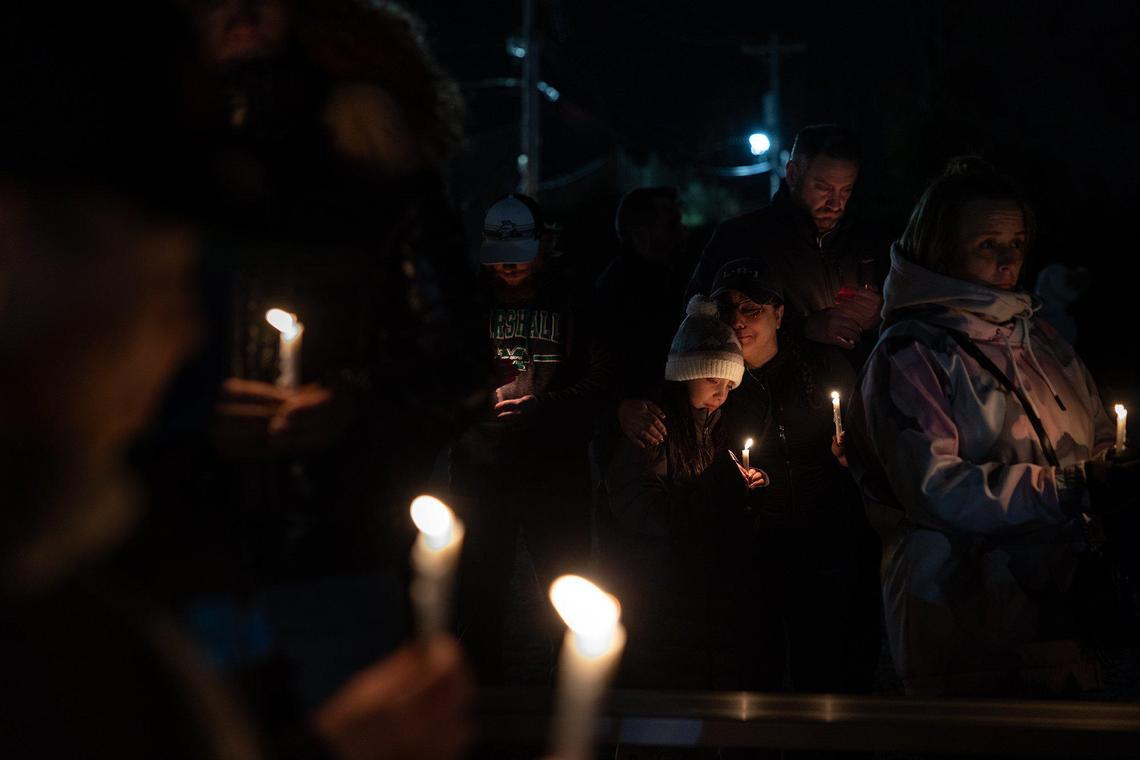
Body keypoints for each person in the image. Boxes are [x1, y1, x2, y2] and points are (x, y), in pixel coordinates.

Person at [0, 4, 474, 759]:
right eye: (153, 285)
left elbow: (449, 358)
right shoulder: (58, 603)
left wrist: (352, 403)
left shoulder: (359, 146)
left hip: (315, 552)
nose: (183, 332)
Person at [845, 157, 1138, 697]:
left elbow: (1096, 426)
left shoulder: (1038, 336)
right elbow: (935, 489)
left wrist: (1109, 468)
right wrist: (1072, 487)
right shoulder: (913, 352)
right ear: (942, 246)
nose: (1008, 258)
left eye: (1018, 242)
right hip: (966, 627)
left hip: (1060, 621)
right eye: (987, 243)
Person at [450, 194, 610, 684]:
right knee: (478, 591)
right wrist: (473, 409)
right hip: (481, 470)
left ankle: (569, 696)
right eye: (500, 258)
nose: (509, 268)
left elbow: (602, 381)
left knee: (568, 583)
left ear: (543, 248)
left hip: (554, 471)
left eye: (519, 256)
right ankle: (481, 705)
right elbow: (438, 379)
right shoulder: (465, 303)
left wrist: (544, 408)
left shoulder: (576, 300)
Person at [709, 259, 882, 694]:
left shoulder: (822, 366)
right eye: (728, 310)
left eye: (752, 310)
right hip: (751, 548)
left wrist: (851, 456)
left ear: (779, 313)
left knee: (825, 670)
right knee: (753, 671)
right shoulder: (711, 378)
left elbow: (871, 442)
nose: (738, 322)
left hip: (825, 543)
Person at [605, 295, 765, 690]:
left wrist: (751, 488)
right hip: (656, 590)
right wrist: (713, 498)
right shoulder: (652, 428)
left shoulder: (714, 427)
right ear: (684, 374)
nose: (722, 392)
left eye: (729, 383)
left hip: (697, 589)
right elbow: (637, 506)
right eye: (713, 379)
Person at [686, 125, 887, 363]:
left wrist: (878, 317)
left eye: (845, 190)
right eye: (822, 188)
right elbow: (698, 319)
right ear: (792, 174)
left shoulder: (868, 240)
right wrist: (804, 328)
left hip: (857, 390)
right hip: (772, 393)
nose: (835, 203)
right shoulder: (741, 237)